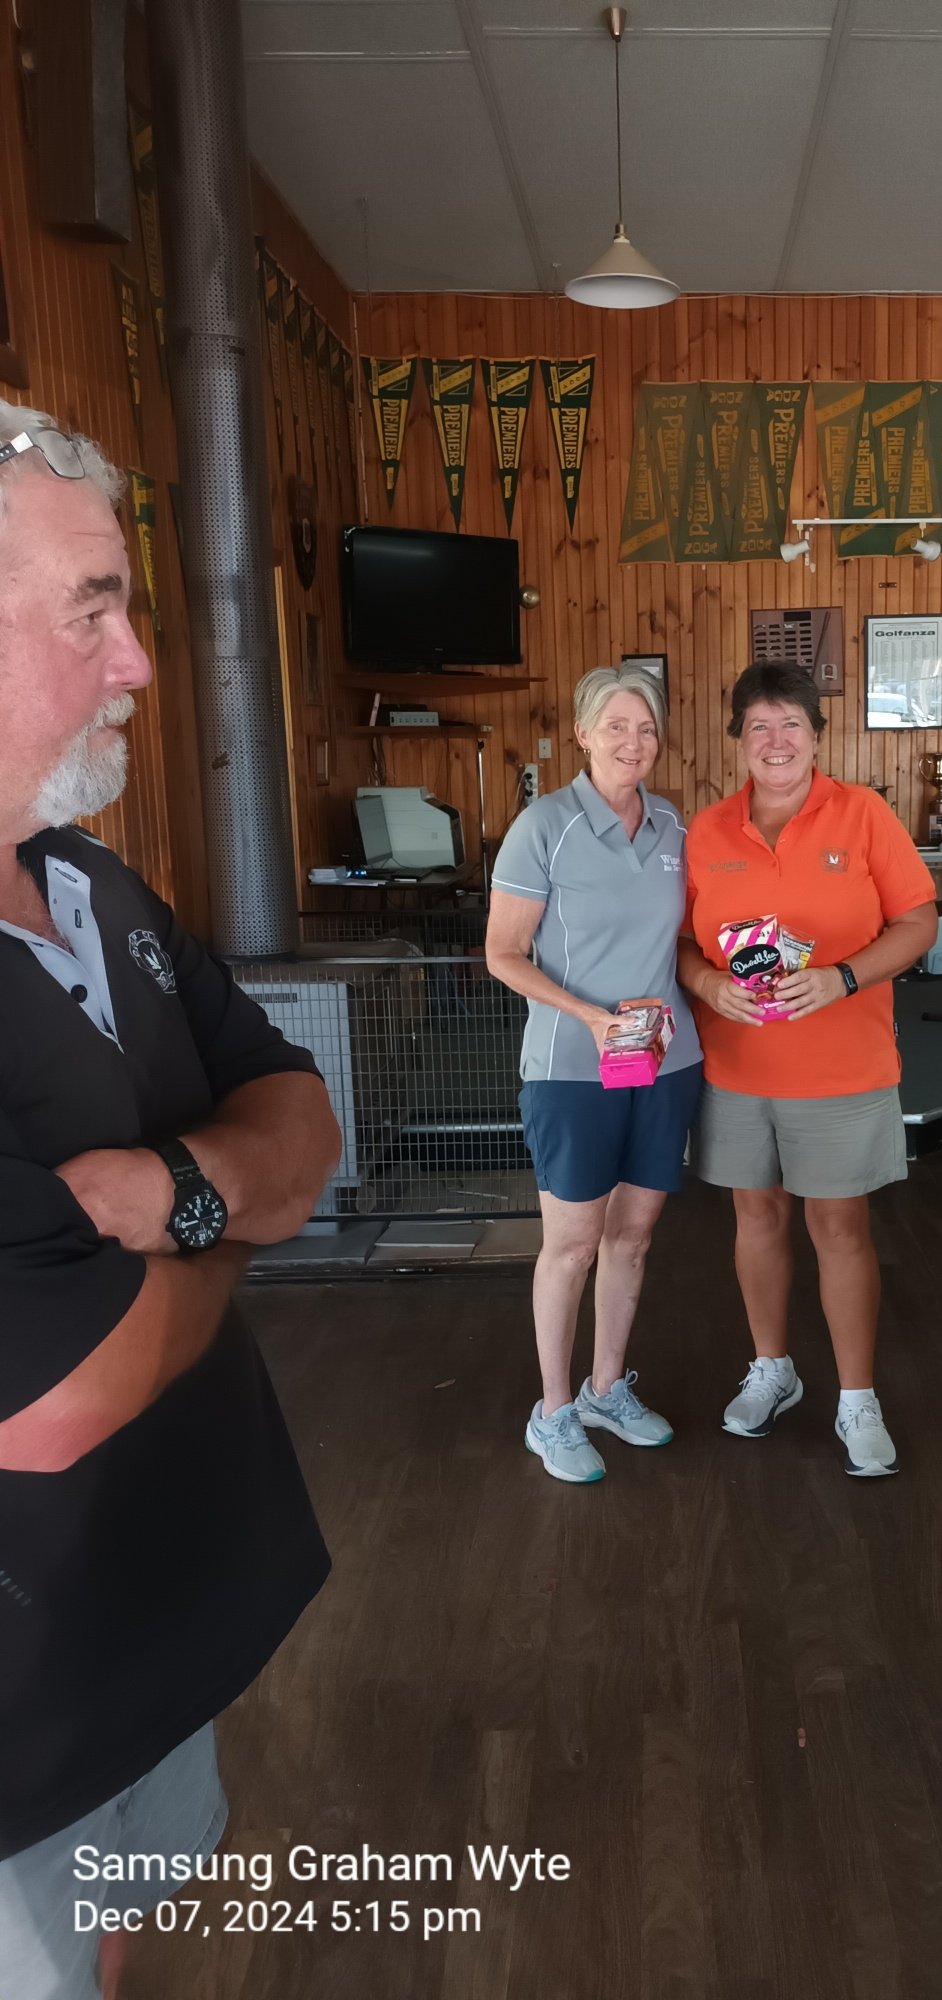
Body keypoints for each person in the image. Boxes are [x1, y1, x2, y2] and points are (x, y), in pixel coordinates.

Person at [0, 402, 341, 1999]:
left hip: (152, 1634)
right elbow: (54, 1399)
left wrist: (172, 1200)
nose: (139, 661)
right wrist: (233, 1222)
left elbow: (303, 1120)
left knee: (123, 1940)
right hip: (17, 1711)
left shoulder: (93, 882)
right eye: (94, 609)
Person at [678, 663, 938, 1477]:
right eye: (758, 725)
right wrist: (707, 983)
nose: (776, 740)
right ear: (738, 740)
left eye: (790, 722)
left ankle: (857, 1397)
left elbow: (919, 922)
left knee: (838, 1228)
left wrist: (843, 977)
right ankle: (773, 1370)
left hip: (843, 1070)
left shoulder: (862, 814)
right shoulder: (707, 831)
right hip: (737, 1069)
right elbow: (681, 945)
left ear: (817, 736)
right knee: (756, 1220)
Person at [487, 665, 702, 1483]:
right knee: (573, 1245)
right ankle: (553, 1413)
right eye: (615, 726)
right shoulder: (543, 826)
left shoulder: (673, 825)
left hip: (665, 1062)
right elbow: (503, 954)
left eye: (645, 728)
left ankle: (606, 1389)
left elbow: (686, 937)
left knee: (633, 1238)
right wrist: (588, 1016)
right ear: (581, 734)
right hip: (573, 1069)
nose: (632, 742)